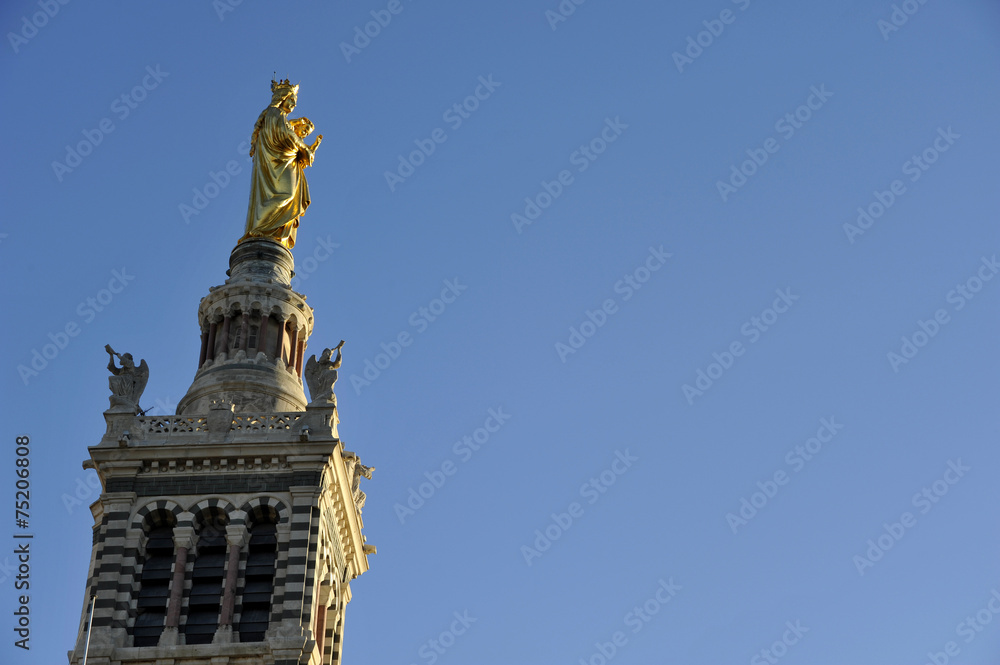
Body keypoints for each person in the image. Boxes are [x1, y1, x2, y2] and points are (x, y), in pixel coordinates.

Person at [242, 79, 322, 249]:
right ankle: (262, 227)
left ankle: (269, 231)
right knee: (286, 195)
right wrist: (305, 149)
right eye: (291, 99)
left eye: (295, 101)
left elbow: (288, 133)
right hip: (278, 166)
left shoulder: (279, 117)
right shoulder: (274, 113)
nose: (293, 104)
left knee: (288, 196)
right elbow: (284, 136)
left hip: (285, 164)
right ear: (282, 98)